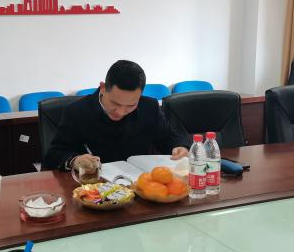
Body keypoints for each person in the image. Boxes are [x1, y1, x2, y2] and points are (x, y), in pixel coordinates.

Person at [43, 60, 190, 171]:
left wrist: (180, 147)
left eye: (130, 105)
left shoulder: (149, 107)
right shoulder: (76, 112)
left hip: (139, 185)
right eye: (115, 103)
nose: (120, 112)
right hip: (93, 188)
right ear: (102, 88)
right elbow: (54, 155)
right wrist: (75, 160)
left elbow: (169, 137)